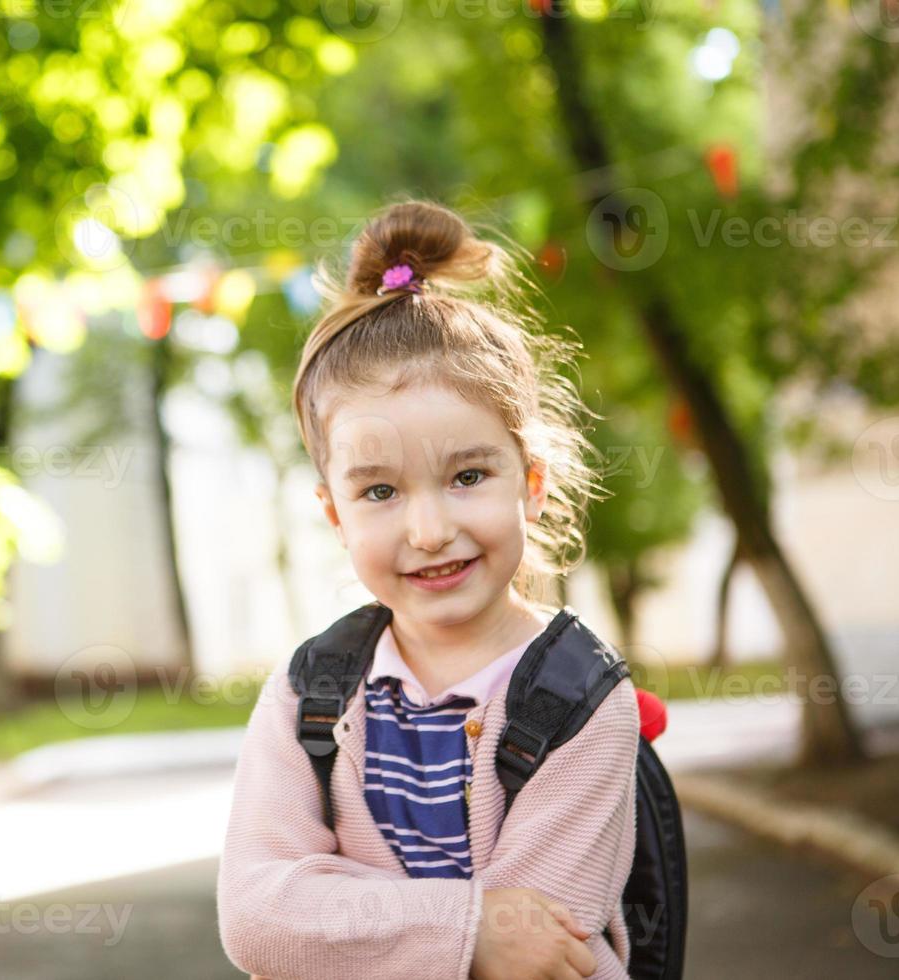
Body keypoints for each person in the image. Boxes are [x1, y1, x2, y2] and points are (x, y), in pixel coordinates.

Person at [216, 199, 639, 980]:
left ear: (533, 482)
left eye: (468, 476)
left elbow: (542, 948)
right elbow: (255, 913)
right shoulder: (312, 690)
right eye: (380, 492)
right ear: (334, 513)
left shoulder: (581, 698)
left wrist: (339, 917)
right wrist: (471, 927)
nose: (429, 530)